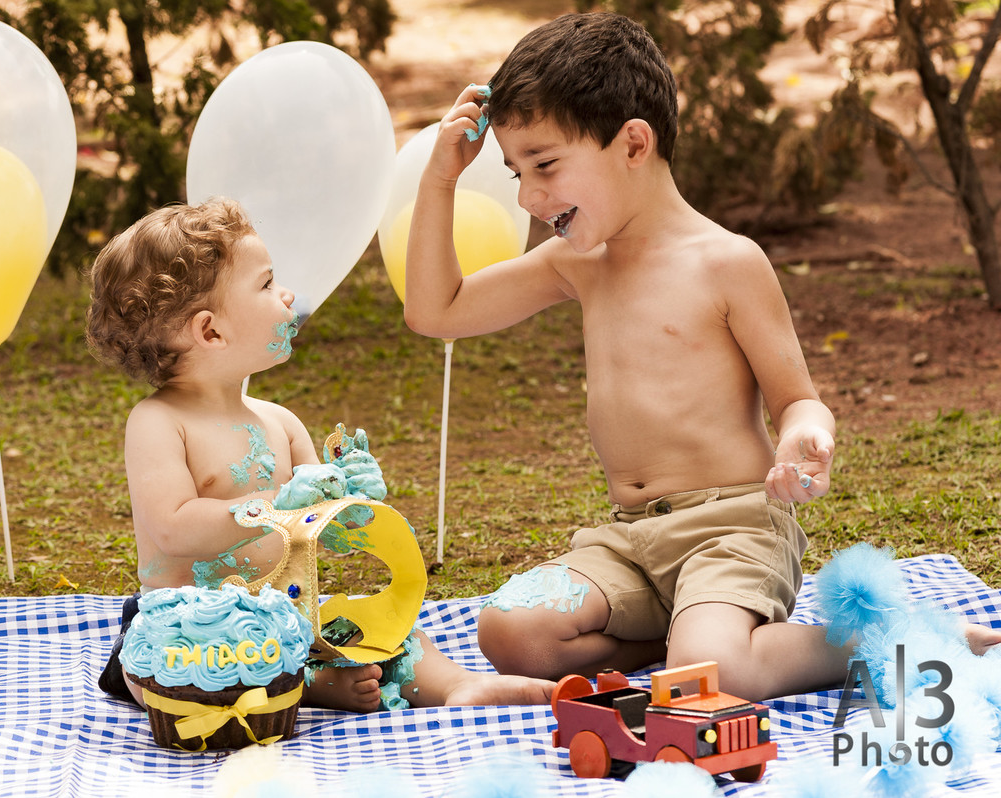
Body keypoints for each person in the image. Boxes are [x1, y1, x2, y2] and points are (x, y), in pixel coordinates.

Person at [403, 12, 1001, 701]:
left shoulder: (727, 263)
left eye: (544, 165)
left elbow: (796, 398)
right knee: (509, 631)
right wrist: (439, 180)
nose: (528, 197)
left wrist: (807, 436)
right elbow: (435, 309)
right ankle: (687, 635)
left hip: (732, 529)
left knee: (717, 675)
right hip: (627, 540)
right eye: (514, 172)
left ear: (633, 144)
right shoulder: (577, 263)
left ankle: (881, 638)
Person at [86, 199, 554, 713]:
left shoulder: (280, 422)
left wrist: (352, 501)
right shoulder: (159, 422)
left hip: (290, 613)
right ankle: (307, 684)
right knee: (178, 668)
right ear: (211, 331)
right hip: (189, 622)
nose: (287, 295)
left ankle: (457, 686)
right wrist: (279, 502)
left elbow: (326, 534)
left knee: (373, 624)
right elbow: (172, 528)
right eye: (266, 285)